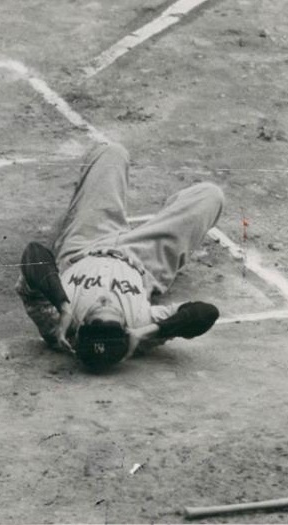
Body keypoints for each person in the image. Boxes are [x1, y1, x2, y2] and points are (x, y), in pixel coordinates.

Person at [15, 140, 224, 372]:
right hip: (144, 259)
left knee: (111, 153)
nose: (105, 301)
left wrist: (63, 306)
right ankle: (161, 216)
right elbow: (206, 313)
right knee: (211, 196)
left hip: (85, 244)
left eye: (96, 314)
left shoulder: (57, 322)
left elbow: (34, 253)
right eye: (112, 314)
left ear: (82, 325)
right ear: (127, 329)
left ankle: (73, 217)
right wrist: (153, 331)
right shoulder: (140, 326)